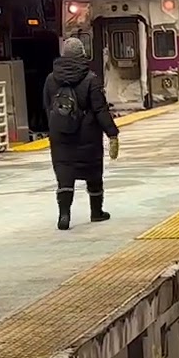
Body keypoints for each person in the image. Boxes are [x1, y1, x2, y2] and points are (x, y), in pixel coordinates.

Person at [44, 37, 120, 230]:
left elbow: (47, 107)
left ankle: (64, 215)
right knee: (93, 173)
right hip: (87, 137)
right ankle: (96, 212)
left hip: (60, 136)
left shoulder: (51, 79)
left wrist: (57, 126)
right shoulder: (90, 79)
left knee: (64, 175)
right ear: (82, 54)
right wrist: (112, 133)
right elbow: (100, 110)